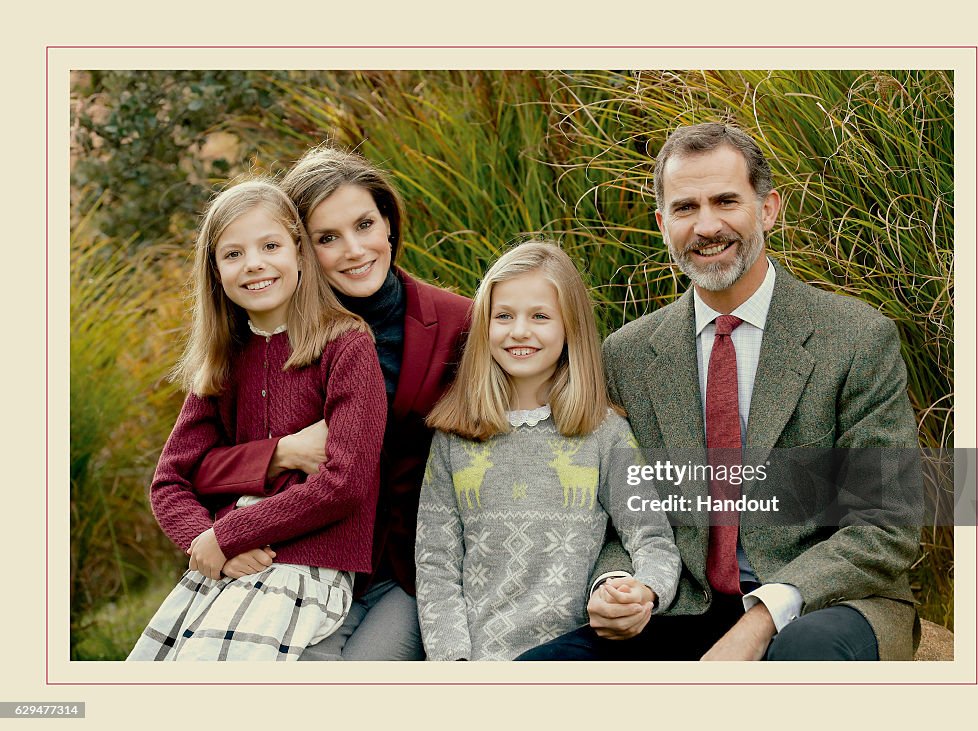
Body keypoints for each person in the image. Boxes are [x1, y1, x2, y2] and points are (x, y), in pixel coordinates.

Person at [518, 123, 921, 662]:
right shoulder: (628, 355)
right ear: (663, 224)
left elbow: (885, 522)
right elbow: (619, 509)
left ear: (768, 209)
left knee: (803, 654)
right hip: (682, 602)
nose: (706, 226)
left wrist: (760, 621)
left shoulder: (856, 338)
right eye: (685, 208)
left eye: (726, 201)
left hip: (827, 602)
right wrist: (614, 584)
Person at [186, 147, 472, 660]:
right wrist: (280, 453)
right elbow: (191, 467)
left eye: (365, 224)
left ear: (389, 224)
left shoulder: (461, 324)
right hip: (295, 561)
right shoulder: (264, 338)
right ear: (300, 248)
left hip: (411, 569)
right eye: (327, 238)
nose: (355, 250)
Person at [127, 179, 387, 661]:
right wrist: (211, 546)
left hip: (308, 568)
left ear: (300, 253)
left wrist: (227, 535)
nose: (254, 263)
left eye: (270, 245)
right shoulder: (223, 360)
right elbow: (169, 482)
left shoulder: (346, 346)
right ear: (215, 272)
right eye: (233, 254)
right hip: (231, 567)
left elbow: (345, 484)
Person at [415, 241, 681, 661]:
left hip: (574, 652)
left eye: (539, 316)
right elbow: (436, 567)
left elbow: (652, 538)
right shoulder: (454, 437)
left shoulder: (605, 432)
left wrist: (643, 590)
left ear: (570, 327)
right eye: (503, 316)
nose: (519, 330)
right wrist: (454, 665)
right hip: (478, 660)